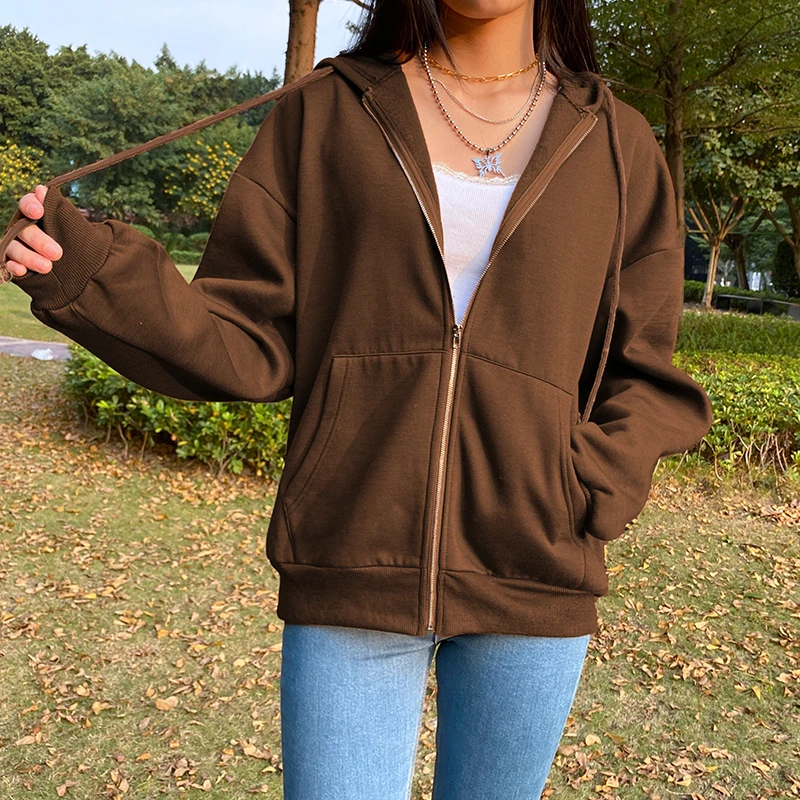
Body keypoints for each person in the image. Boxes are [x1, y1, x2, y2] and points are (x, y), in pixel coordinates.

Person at [4, 0, 714, 797]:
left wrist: (588, 483)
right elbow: (248, 330)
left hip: (536, 572)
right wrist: (92, 275)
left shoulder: (616, 140)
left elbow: (642, 365)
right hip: (348, 558)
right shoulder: (327, 110)